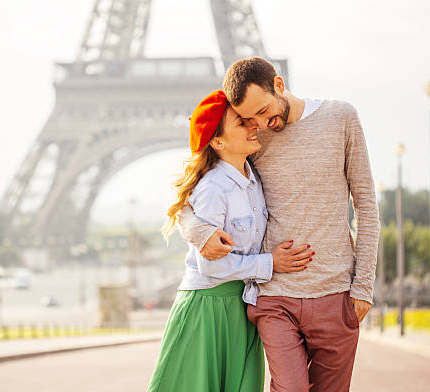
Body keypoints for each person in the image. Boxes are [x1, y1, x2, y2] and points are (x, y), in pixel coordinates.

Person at [179, 57, 380, 392]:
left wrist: (363, 288)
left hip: (335, 294)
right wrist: (200, 232)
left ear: (279, 85)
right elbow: (192, 189)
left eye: (263, 110)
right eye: (249, 118)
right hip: (274, 296)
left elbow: (366, 206)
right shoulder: (252, 138)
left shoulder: (341, 117)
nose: (261, 123)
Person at [147, 90, 313, 392]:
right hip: (207, 308)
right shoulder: (213, 188)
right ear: (218, 141)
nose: (253, 126)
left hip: (240, 305)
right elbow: (210, 267)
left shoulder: (253, 179)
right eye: (241, 123)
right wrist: (271, 263)